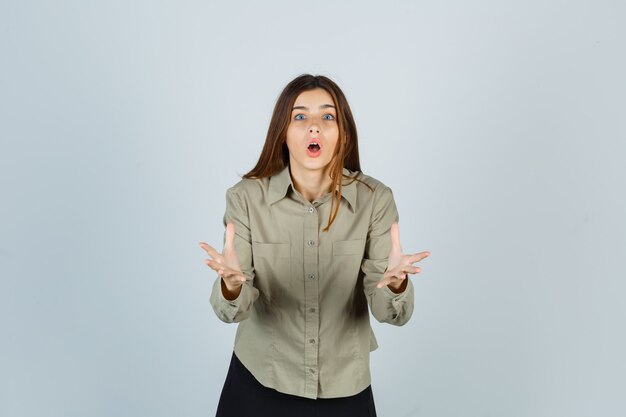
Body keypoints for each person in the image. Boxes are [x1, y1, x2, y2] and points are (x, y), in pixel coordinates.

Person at [199, 74, 430, 417]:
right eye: (300, 116)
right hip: (259, 382)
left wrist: (396, 284)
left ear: (344, 133)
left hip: (344, 389)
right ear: (283, 132)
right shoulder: (245, 199)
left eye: (327, 116)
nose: (314, 127)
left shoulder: (375, 201)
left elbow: (390, 313)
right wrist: (232, 287)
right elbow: (234, 309)